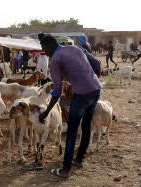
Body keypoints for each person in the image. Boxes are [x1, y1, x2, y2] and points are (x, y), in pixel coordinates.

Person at [38, 36, 102, 178]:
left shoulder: (55, 60)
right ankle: (79, 160)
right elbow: (97, 64)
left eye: (44, 49)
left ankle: (66, 169)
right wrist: (92, 81)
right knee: (86, 126)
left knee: (72, 131)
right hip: (96, 90)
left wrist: (46, 111)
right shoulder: (76, 48)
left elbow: (57, 90)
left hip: (81, 95)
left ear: (49, 46)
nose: (44, 52)